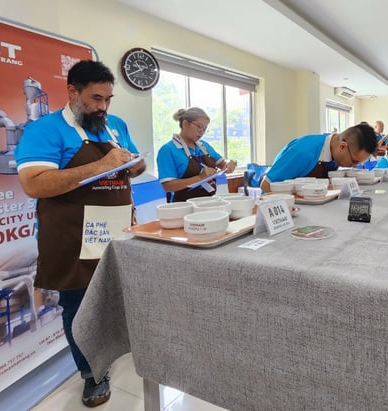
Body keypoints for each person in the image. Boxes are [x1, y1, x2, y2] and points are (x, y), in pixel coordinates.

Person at [15, 60, 145, 407]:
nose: (102, 107)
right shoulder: (44, 129)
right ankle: (91, 373)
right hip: (72, 235)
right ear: (72, 92)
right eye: (95, 98)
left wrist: (135, 163)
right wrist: (102, 165)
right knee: (80, 308)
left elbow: (136, 164)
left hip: (117, 229)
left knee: (122, 298)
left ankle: (127, 350)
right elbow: (34, 183)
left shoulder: (115, 125)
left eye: (108, 99)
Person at [260, 123, 377, 192]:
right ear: (342, 147)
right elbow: (266, 186)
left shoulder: (333, 148)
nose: (354, 166)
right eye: (354, 161)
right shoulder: (302, 152)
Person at [156, 107, 236, 202]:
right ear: (185, 124)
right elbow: (168, 186)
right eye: (199, 126)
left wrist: (230, 164)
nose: (201, 132)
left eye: (204, 129)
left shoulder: (204, 146)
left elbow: (222, 164)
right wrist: (200, 177)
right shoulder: (168, 150)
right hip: (183, 205)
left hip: (209, 201)